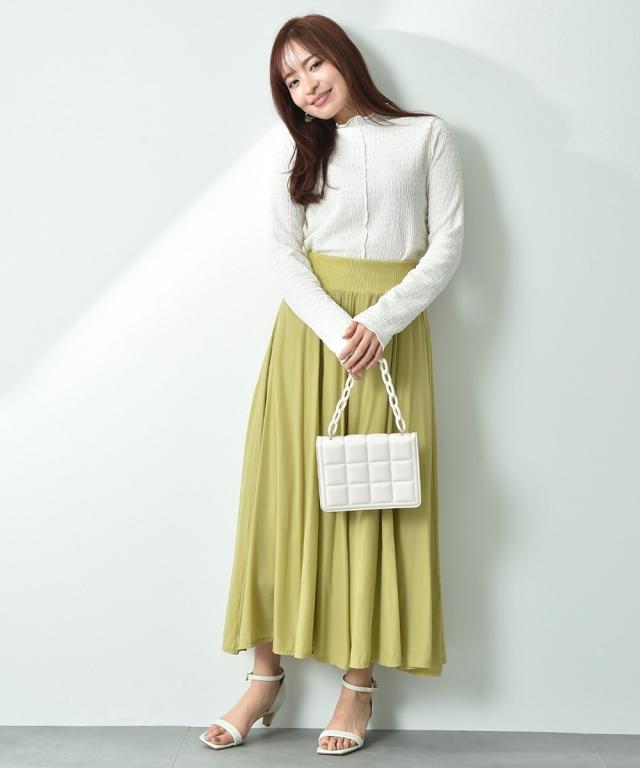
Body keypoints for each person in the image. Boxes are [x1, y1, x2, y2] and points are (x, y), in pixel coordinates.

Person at [200, 12, 464, 756]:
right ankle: (264, 677)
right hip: (311, 340)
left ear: (343, 58)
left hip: (389, 340)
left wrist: (380, 321)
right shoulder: (298, 151)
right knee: (281, 495)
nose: (307, 86)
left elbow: (447, 245)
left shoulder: (426, 136)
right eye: (290, 80)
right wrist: (337, 329)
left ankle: (358, 686)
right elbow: (284, 254)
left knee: (370, 499)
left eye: (313, 65)